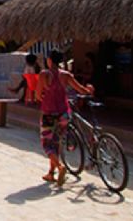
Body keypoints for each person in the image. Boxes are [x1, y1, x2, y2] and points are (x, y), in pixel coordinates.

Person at [36, 49, 94, 186]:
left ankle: (60, 167)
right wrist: (90, 90)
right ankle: (51, 172)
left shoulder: (44, 75)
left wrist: (44, 98)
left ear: (50, 60)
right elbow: (81, 89)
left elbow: (38, 95)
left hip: (48, 113)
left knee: (47, 143)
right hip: (64, 114)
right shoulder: (66, 75)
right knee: (56, 142)